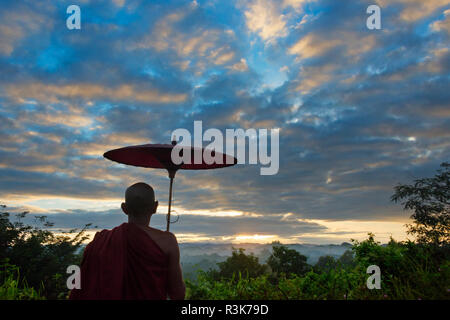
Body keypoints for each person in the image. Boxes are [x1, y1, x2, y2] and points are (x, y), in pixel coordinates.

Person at [69, 182, 185, 300]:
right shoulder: (167, 241)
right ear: (155, 207)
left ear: (124, 208)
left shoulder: (100, 242)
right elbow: (178, 294)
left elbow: (84, 284)